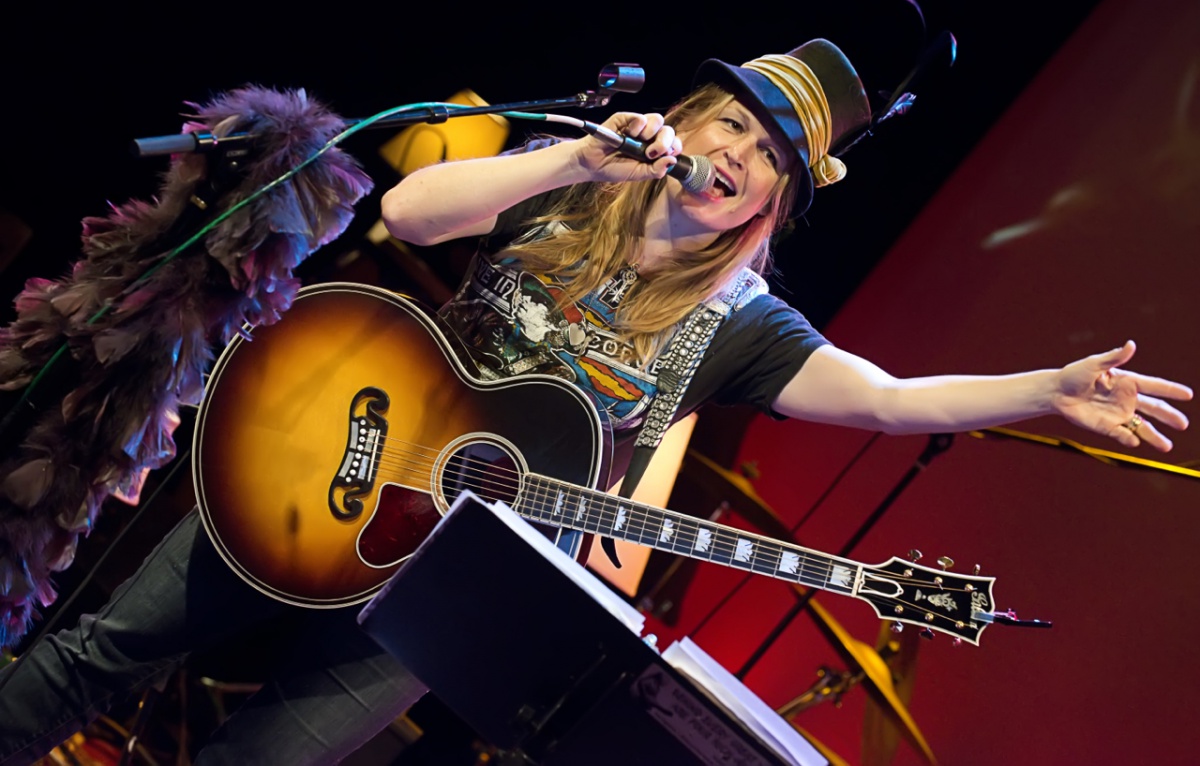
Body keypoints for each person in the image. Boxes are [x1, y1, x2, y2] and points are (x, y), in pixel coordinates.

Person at [0, 38, 1192, 766]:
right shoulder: (567, 190)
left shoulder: (743, 327)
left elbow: (881, 399)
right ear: (686, 124)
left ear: (774, 202)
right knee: (99, 659)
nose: (741, 153)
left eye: (772, 155)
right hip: (324, 469)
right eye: (732, 122)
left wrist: (1044, 389)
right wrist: (574, 158)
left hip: (442, 586)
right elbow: (405, 215)